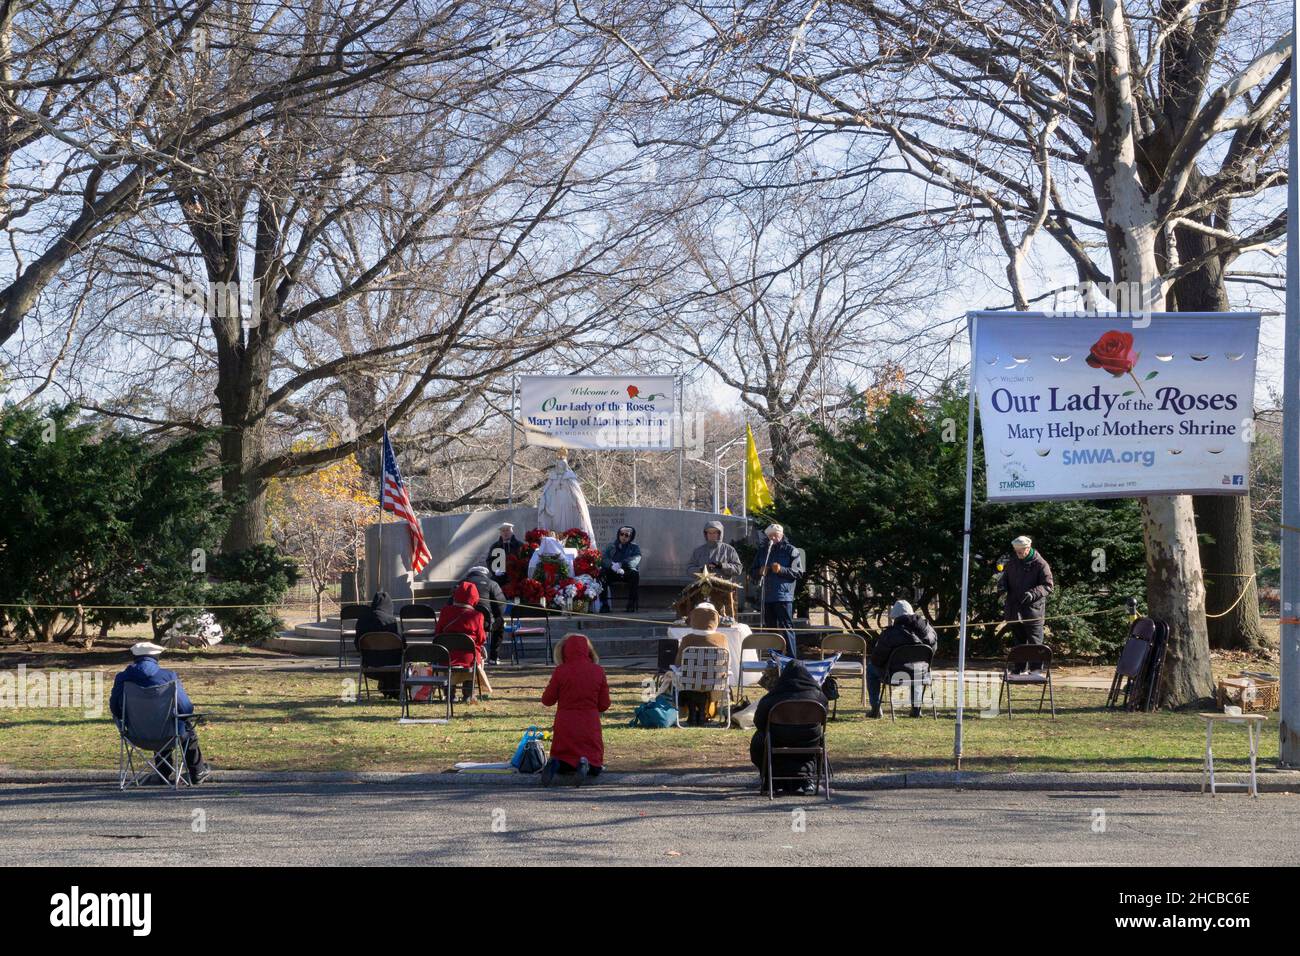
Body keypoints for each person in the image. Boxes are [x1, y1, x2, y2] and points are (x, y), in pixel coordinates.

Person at [110, 642, 210, 785]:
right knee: (181, 725)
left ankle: (162, 773)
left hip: (135, 734)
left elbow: (115, 708)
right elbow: (186, 709)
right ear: (156, 657)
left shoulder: (122, 678)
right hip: (168, 734)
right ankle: (197, 772)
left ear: (135, 657)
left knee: (158, 722)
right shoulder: (168, 676)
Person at [540, 633, 611, 786]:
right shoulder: (598, 671)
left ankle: (555, 764)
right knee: (594, 763)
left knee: (564, 757)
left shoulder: (560, 671)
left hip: (565, 723)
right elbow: (604, 705)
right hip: (589, 723)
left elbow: (547, 700)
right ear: (588, 650)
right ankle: (586, 764)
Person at [749, 659, 827, 796]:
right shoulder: (819, 697)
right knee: (821, 738)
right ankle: (808, 777)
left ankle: (769, 779)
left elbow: (759, 722)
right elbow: (823, 721)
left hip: (778, 739)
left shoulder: (772, 697)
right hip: (809, 741)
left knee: (758, 739)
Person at [868, 600, 939, 718]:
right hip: (920, 673)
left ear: (896, 617)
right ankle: (916, 709)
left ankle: (875, 709)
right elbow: (932, 651)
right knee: (917, 668)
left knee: (871, 669)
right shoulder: (929, 630)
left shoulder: (890, 634)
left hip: (893, 674)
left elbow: (877, 659)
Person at [998, 535, 1054, 673]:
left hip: (1033, 609)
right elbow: (1005, 578)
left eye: (1021, 551)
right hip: (1014, 609)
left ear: (1028, 548)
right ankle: (1019, 668)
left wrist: (1032, 593)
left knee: (1035, 640)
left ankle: (1036, 670)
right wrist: (1002, 586)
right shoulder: (1013, 562)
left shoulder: (1041, 564)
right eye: (1016, 551)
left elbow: (1048, 586)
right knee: (1018, 641)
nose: (1019, 554)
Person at [749, 523, 804, 655]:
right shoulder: (763, 551)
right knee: (770, 629)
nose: (774, 538)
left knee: (786, 627)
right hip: (766, 595)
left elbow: (799, 572)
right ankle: (775, 657)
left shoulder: (791, 550)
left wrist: (782, 570)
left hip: (783, 596)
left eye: (776, 535)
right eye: (771, 536)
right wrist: (759, 571)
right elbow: (752, 571)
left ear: (782, 535)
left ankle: (791, 658)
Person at [675, 602, 729, 725]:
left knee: (684, 678)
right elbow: (727, 664)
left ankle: (692, 713)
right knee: (703, 682)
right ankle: (703, 712)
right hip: (714, 683)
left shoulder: (687, 639)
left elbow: (678, 663)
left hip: (690, 682)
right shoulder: (722, 638)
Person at [435, 581, 488, 702]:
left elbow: (438, 633)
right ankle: (468, 694)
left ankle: (450, 693)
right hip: (469, 658)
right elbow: (481, 639)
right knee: (475, 656)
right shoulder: (478, 616)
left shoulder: (445, 611)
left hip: (446, 656)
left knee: (455, 658)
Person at [354, 591, 402, 698]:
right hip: (393, 665)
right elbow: (402, 645)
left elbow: (357, 644)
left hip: (369, 665)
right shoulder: (392, 622)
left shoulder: (362, 621)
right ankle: (393, 689)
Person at [461, 565, 507, 665]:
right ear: (485, 574)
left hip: (462, 623)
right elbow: (501, 607)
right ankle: (494, 657)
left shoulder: (461, 584)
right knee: (500, 622)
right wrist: (495, 616)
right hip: (485, 623)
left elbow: (450, 604)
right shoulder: (492, 584)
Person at [600, 526, 642, 613]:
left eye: (627, 535)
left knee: (635, 574)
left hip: (626, 572)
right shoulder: (611, 546)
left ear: (631, 537)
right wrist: (611, 565)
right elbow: (603, 558)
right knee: (602, 573)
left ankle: (631, 604)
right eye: (621, 534)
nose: (623, 537)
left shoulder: (635, 548)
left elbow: (636, 559)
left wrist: (622, 564)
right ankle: (604, 604)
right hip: (613, 572)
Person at [486, 522, 523, 589]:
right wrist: (495, 570)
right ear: (500, 533)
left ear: (512, 532)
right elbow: (489, 560)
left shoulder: (519, 545)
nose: (505, 533)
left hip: (516, 578)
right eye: (503, 531)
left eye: (507, 530)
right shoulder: (495, 546)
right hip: (499, 579)